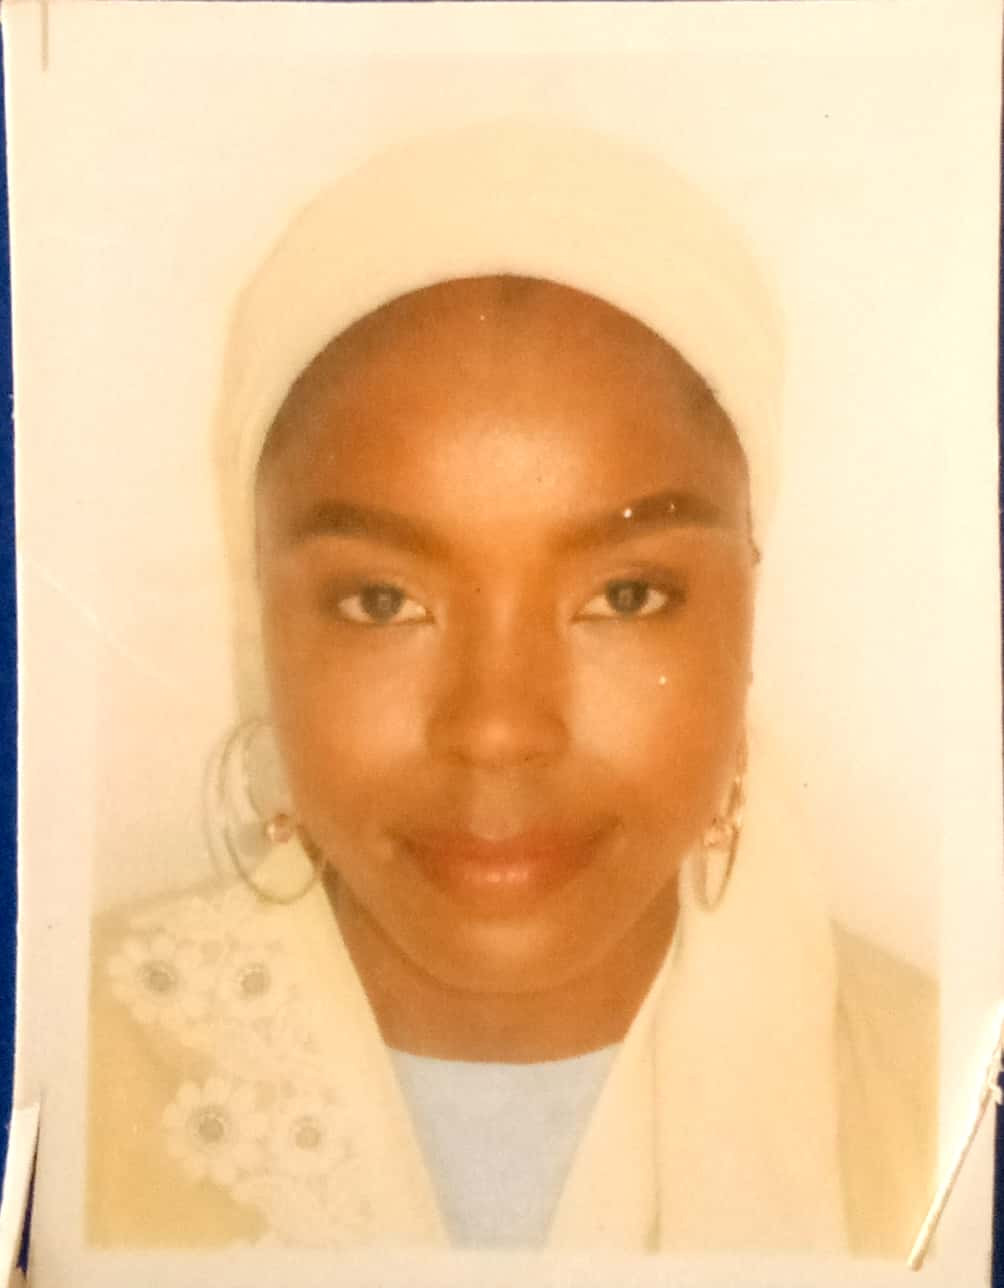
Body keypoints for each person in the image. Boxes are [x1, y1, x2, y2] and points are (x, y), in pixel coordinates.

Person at [87, 122, 937, 1257]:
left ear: (747, 605)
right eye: (382, 601)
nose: (496, 729)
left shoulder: (940, 1104)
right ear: (266, 618)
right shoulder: (59, 1072)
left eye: (625, 596)